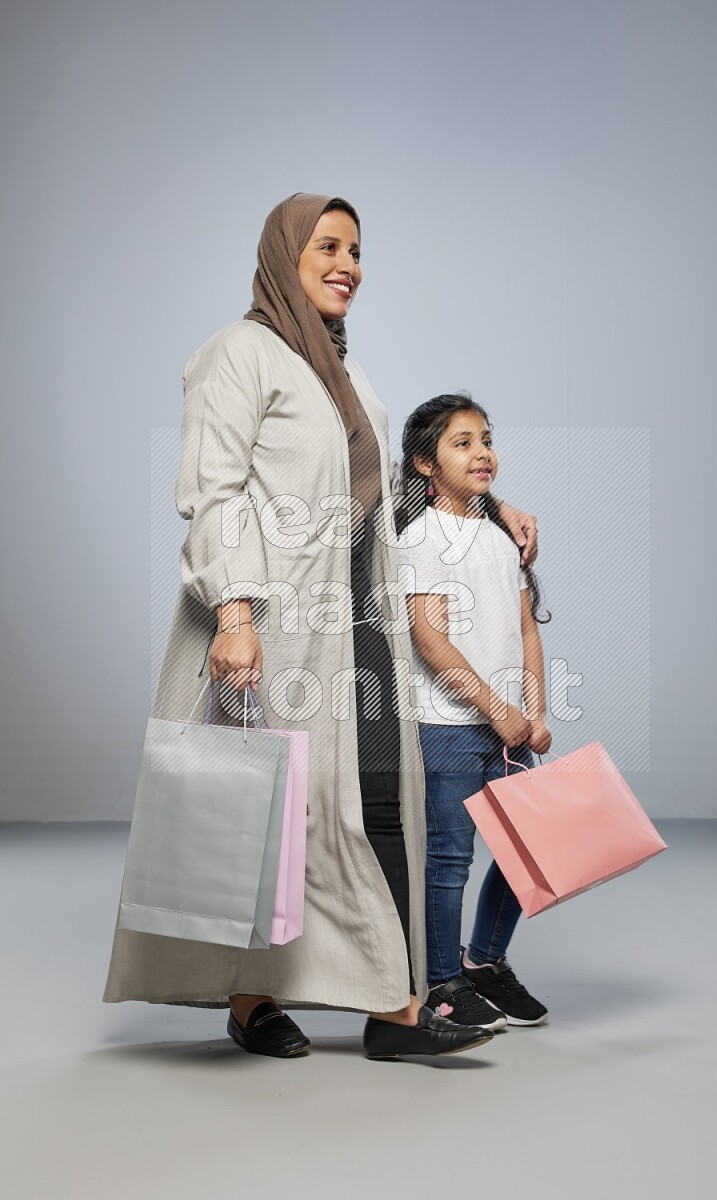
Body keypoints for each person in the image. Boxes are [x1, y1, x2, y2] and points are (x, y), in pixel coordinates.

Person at [104, 195, 539, 1061]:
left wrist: (486, 504)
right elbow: (213, 495)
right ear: (284, 257)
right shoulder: (237, 356)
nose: (348, 263)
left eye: (357, 249)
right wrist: (233, 613)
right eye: (328, 246)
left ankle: (392, 1009)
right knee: (274, 810)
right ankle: (267, 996)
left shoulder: (348, 376)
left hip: (359, 624)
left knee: (374, 806)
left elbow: (383, 495)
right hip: (274, 623)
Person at [397, 394, 552, 1031]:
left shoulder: (499, 535)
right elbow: (429, 638)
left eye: (485, 439)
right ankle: (443, 981)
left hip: (511, 729)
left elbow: (526, 631)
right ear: (424, 464)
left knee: (530, 848)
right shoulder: (420, 538)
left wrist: (533, 711)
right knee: (451, 858)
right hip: (450, 726)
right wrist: (495, 709)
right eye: (461, 443)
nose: (481, 452)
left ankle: (485, 960)